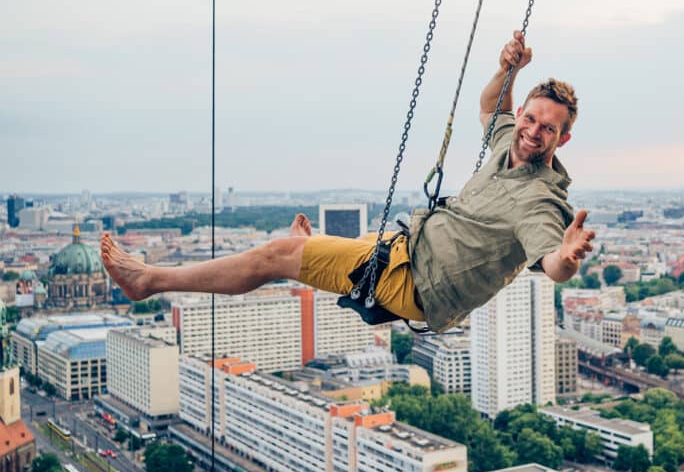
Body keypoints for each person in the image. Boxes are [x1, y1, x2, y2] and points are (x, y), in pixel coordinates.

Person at [101, 31, 594, 333]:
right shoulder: (510, 138)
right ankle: (311, 251)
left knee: (276, 258)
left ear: (563, 139)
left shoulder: (540, 200)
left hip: (416, 280)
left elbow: (550, 262)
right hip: (410, 246)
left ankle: (149, 281)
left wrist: (566, 258)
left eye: (547, 128)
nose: (532, 131)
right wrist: (506, 69)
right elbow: (491, 106)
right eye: (531, 118)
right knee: (318, 251)